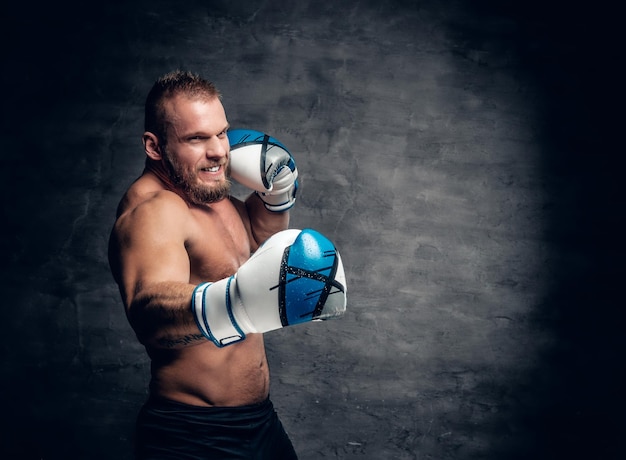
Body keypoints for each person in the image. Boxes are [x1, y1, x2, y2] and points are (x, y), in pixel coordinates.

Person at [108, 70, 346, 459]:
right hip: (193, 434)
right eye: (196, 138)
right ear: (154, 146)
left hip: (259, 422)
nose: (219, 150)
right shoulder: (155, 210)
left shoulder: (208, 194)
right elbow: (148, 313)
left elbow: (250, 252)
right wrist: (236, 303)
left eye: (221, 133)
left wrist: (275, 198)